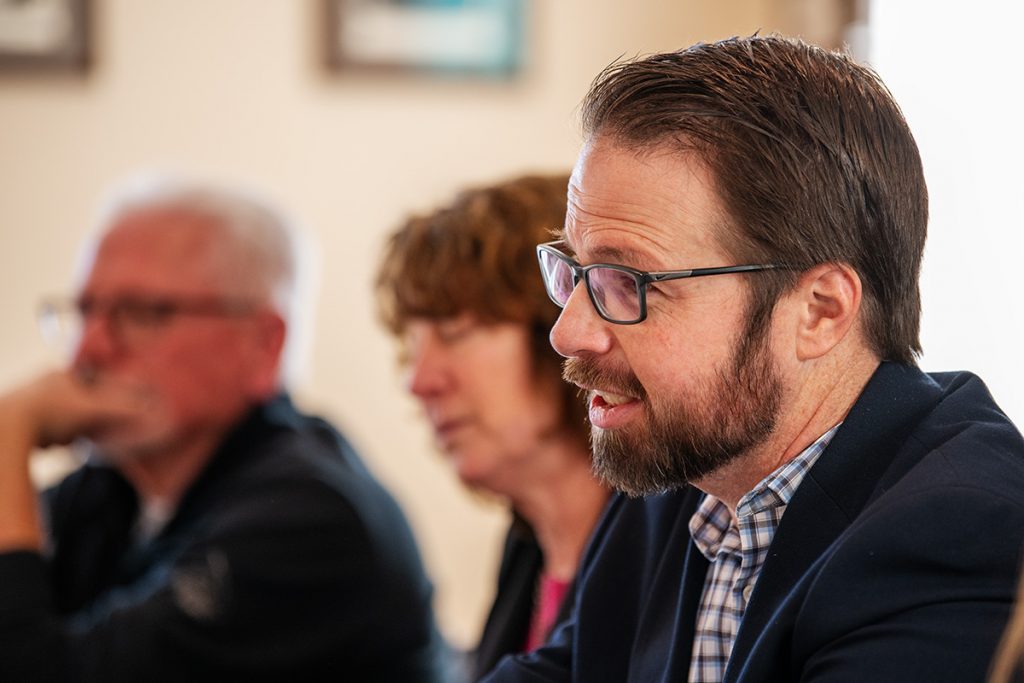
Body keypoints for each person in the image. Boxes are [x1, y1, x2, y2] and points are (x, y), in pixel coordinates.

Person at [483, 35, 1024, 683]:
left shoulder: (958, 530)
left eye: (629, 283)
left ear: (820, 310)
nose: (569, 333)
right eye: (575, 269)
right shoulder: (687, 471)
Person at [0, 178, 448, 682]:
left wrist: (7, 436)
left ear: (264, 343)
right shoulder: (114, 485)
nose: (87, 351)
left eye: (140, 312)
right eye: (85, 312)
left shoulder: (309, 517)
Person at [376, 175, 610, 680]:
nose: (419, 381)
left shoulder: (676, 545)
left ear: (565, 324)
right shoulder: (529, 546)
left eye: (455, 332)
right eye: (412, 344)